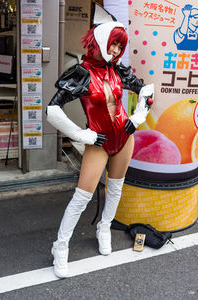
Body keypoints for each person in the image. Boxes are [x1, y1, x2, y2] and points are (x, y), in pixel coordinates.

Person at [46, 7, 154, 278]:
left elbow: (146, 90)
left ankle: (104, 227)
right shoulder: (80, 73)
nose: (117, 50)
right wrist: (82, 135)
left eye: (120, 45)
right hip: (99, 141)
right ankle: (60, 246)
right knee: (81, 197)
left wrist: (138, 117)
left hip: (124, 138)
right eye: (113, 43)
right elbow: (53, 110)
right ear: (99, 42)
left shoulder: (119, 71)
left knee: (115, 189)